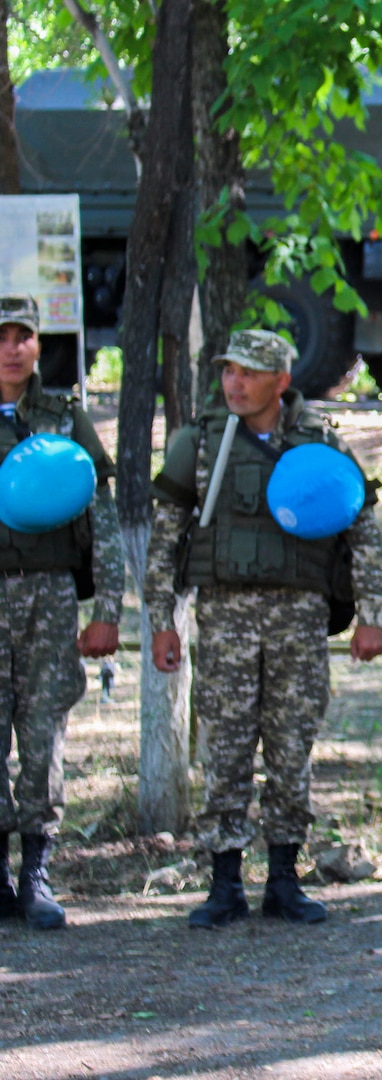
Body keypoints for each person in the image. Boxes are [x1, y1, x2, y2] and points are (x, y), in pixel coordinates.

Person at [147, 330, 382, 928]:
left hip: (298, 620)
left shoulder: (321, 443)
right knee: (225, 748)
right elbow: (164, 539)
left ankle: (284, 878)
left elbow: (362, 532)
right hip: (225, 618)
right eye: (229, 372)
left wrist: (372, 616)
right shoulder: (199, 444)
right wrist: (162, 621)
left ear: (280, 382)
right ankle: (224, 882)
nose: (235, 383)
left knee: (291, 749)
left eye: (249, 374)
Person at [0, 294, 122, 929]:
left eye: (24, 336)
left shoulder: (63, 417)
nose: (13, 347)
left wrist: (108, 608)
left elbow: (101, 522)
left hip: (48, 593)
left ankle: (35, 872)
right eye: (2, 336)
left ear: (39, 345)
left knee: (43, 732)